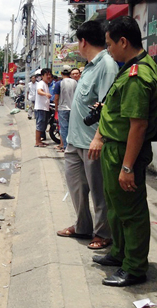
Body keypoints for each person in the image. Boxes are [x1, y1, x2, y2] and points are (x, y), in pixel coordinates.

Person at [89, 16, 157, 287]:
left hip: (124, 152)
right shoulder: (129, 67)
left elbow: (137, 126)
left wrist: (128, 167)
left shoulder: (137, 75)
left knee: (131, 211)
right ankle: (119, 253)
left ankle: (135, 267)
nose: (108, 50)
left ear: (124, 41)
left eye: (109, 45)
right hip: (114, 149)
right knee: (117, 207)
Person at [56, 20, 119, 251]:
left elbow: (108, 106)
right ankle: (82, 226)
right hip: (75, 141)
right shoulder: (90, 66)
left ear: (83, 42)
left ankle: (103, 233)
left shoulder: (107, 66)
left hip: (93, 142)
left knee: (99, 191)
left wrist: (99, 138)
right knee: (77, 188)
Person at [54, 67, 77, 152]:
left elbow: (56, 97)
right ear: (70, 73)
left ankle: (66, 147)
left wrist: (56, 108)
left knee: (64, 128)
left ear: (61, 73)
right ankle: (72, 147)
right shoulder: (75, 82)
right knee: (72, 128)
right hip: (73, 108)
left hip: (63, 108)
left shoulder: (59, 83)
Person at [34, 68, 52, 147]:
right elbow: (39, 91)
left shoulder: (46, 84)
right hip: (40, 108)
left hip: (45, 108)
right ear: (42, 76)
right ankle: (37, 142)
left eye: (49, 75)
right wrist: (45, 94)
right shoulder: (41, 83)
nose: (48, 76)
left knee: (43, 126)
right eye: (46, 75)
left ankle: (40, 141)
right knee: (40, 125)